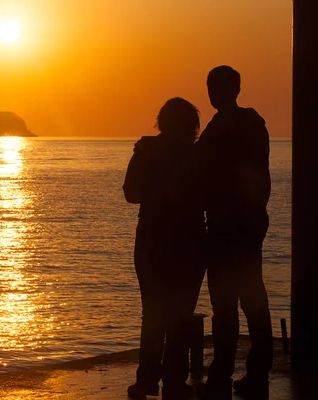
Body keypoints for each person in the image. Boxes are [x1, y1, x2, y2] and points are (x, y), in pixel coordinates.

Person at [197, 66, 273, 400]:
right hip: (252, 222)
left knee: (225, 304)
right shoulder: (255, 124)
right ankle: (258, 375)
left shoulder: (217, 129)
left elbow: (202, 172)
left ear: (214, 91)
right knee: (253, 299)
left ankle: (221, 375)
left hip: (225, 227)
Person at [124, 97, 206, 400]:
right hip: (189, 243)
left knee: (154, 314)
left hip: (152, 243)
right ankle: (173, 381)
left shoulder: (146, 151)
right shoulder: (198, 156)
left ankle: (147, 380)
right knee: (180, 317)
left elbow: (131, 194)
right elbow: (210, 198)